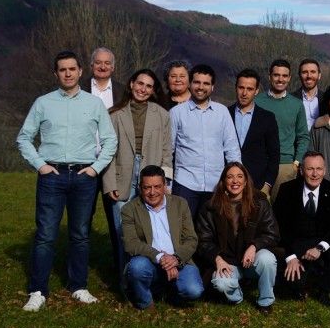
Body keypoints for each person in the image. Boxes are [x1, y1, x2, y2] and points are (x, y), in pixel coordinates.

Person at [17, 50, 117, 312]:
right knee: (45, 235)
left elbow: (110, 140)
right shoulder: (43, 103)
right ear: (56, 73)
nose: (68, 73)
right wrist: (40, 165)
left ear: (81, 71)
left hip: (84, 177)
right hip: (53, 176)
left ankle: (78, 286)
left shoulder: (94, 104)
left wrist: (95, 169)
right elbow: (24, 138)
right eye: (63, 69)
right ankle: (38, 290)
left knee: (80, 235)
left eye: (72, 69)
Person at [102, 67, 172, 278]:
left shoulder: (161, 114)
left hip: (150, 177)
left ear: (153, 90)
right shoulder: (114, 114)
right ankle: (125, 281)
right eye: (140, 83)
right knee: (123, 232)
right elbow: (107, 152)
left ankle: (147, 278)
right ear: (131, 84)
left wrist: (166, 182)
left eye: (149, 86)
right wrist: (109, 182)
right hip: (121, 177)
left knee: (149, 231)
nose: (143, 89)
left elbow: (166, 151)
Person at [195, 162, 279, 313]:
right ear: (223, 181)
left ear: (246, 181)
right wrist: (217, 259)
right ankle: (237, 298)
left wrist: (254, 246)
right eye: (230, 177)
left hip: (252, 260)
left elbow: (272, 233)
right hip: (227, 262)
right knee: (221, 283)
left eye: (240, 176)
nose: (235, 181)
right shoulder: (210, 207)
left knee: (268, 259)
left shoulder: (260, 202)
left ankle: (265, 301)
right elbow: (203, 241)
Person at [120, 166, 204, 309]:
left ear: (165, 185)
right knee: (137, 267)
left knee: (194, 290)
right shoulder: (129, 209)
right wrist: (160, 257)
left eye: (157, 186)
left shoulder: (180, 204)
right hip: (148, 261)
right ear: (140, 188)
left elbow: (191, 239)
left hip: (178, 260)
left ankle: (170, 293)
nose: (152, 192)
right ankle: (145, 303)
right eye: (147, 187)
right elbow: (131, 243)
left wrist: (175, 259)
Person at [273, 151, 330, 306]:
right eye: (310, 169)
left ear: (324, 171)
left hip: (323, 239)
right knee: (293, 282)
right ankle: (298, 286)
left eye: (319, 169)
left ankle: (325, 290)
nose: (315, 174)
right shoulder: (287, 189)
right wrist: (290, 256)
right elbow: (278, 226)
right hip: (297, 241)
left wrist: (320, 247)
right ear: (302, 171)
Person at [169, 63, 242, 221]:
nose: (201, 87)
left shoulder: (222, 112)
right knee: (182, 229)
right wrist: (167, 184)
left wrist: (236, 180)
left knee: (212, 230)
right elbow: (167, 151)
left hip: (216, 185)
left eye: (206, 83)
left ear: (212, 87)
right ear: (190, 84)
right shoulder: (176, 113)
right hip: (185, 184)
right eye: (197, 82)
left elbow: (232, 149)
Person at [255, 59, 310, 200]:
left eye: (284, 76)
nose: (280, 79)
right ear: (269, 76)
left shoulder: (297, 105)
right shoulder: (256, 101)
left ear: (289, 78)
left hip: (285, 166)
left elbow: (303, 136)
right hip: (260, 164)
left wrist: (296, 163)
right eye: (276, 75)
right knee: (257, 208)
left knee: (282, 209)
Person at [227, 68, 281, 194]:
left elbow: (274, 154)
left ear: (256, 91)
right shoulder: (224, 114)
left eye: (250, 89)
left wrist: (267, 185)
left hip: (257, 185)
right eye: (241, 88)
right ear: (235, 88)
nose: (244, 93)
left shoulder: (267, 118)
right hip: (228, 185)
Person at [298, 58, 326, 132]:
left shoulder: (327, 99)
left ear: (319, 75)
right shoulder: (291, 99)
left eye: (313, 72)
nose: (309, 76)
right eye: (304, 72)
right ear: (299, 75)